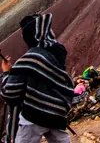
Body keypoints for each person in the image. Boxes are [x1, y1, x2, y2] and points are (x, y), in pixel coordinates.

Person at [0, 14, 75, 143]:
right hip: (57, 112)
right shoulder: (57, 54)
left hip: (35, 116)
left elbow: (10, 94)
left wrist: (7, 73)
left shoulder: (29, 60)